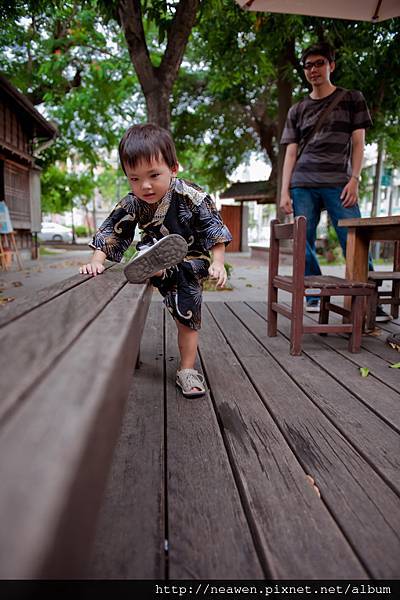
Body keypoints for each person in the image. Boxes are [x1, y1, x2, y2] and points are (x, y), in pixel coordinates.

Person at [80, 123, 232, 396]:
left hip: (190, 258)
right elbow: (111, 229)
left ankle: (187, 369)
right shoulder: (134, 201)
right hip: (152, 251)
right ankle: (153, 266)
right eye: (134, 179)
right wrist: (97, 260)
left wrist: (218, 263)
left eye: (153, 175)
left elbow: (214, 230)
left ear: (174, 168)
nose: (145, 186)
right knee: (142, 263)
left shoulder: (192, 196)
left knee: (188, 306)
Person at [280, 42, 391, 321]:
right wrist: (284, 191)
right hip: (302, 181)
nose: (313, 70)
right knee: (301, 238)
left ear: (332, 65)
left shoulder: (352, 98)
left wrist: (355, 178)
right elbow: (291, 151)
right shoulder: (297, 109)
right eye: (308, 65)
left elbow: (358, 142)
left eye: (319, 63)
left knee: (353, 238)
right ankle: (315, 293)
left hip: (339, 182)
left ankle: (371, 301)